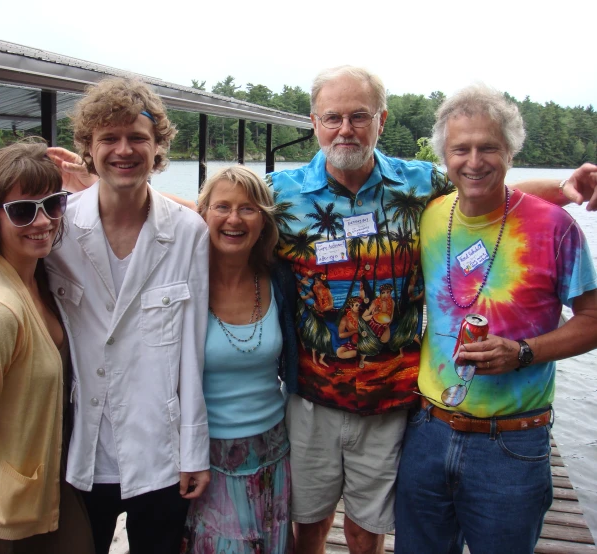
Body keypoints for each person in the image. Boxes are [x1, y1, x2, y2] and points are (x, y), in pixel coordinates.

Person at [268, 65, 597, 554]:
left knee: (365, 530)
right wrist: (132, 192)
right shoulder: (280, 194)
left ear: (381, 119)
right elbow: (215, 211)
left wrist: (564, 190)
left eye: (359, 116)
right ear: (313, 121)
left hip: (394, 399)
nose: (346, 129)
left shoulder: (419, 185)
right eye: (332, 117)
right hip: (313, 396)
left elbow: (486, 187)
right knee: (307, 527)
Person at [394, 85, 597, 554]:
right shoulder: (429, 216)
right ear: (445, 155)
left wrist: (524, 352)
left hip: (511, 445)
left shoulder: (553, 227)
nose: (474, 161)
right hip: (428, 430)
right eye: (461, 149)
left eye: (489, 147)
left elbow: (592, 318)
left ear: (509, 151)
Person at [44, 77, 211, 554]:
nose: (124, 150)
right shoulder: (56, 230)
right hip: (79, 449)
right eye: (108, 138)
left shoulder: (188, 233)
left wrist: (194, 450)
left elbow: (191, 354)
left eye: (137, 138)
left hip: (159, 448)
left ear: (157, 147)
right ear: (88, 149)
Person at [0, 141, 94, 553]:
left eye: (54, 204)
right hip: (6, 518)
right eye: (24, 210)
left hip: (50, 492)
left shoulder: (39, 278)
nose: (42, 220)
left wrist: (93, 181)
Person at [179, 166, 297, 553]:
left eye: (248, 209)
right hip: (206, 459)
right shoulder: (183, 281)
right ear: (202, 215)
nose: (233, 219)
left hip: (273, 451)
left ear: (263, 221)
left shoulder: (278, 278)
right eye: (222, 207)